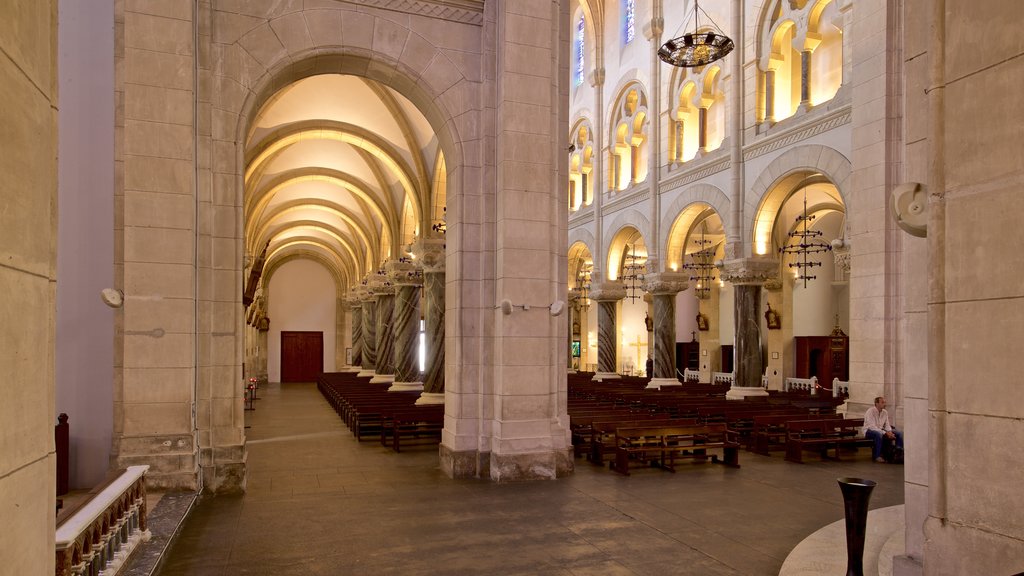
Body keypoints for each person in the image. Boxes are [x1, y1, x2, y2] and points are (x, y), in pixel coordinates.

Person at [864, 396, 903, 463]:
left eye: (885, 402)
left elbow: (887, 424)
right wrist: (885, 433)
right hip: (869, 431)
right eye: (882, 402)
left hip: (880, 430)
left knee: (899, 433)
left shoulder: (885, 412)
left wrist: (890, 432)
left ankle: (898, 453)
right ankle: (877, 456)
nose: (884, 404)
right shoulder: (870, 411)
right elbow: (872, 426)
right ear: (877, 403)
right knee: (878, 434)